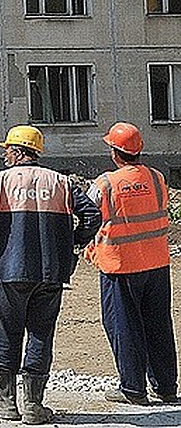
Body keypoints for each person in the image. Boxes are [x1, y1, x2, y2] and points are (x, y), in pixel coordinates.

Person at [0, 124, 101, 424]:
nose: (4, 157)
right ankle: (33, 406)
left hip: (9, 271)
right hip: (50, 271)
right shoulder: (61, 182)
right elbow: (93, 215)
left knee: (6, 332)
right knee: (41, 334)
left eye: (6, 151)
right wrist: (72, 242)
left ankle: (6, 403)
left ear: (15, 151)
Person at [84, 121, 178, 406]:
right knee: (158, 325)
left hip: (120, 266)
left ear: (115, 152)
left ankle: (133, 389)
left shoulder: (105, 184)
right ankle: (165, 387)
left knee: (123, 325)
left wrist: (88, 245)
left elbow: (87, 219)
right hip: (156, 263)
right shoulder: (157, 179)